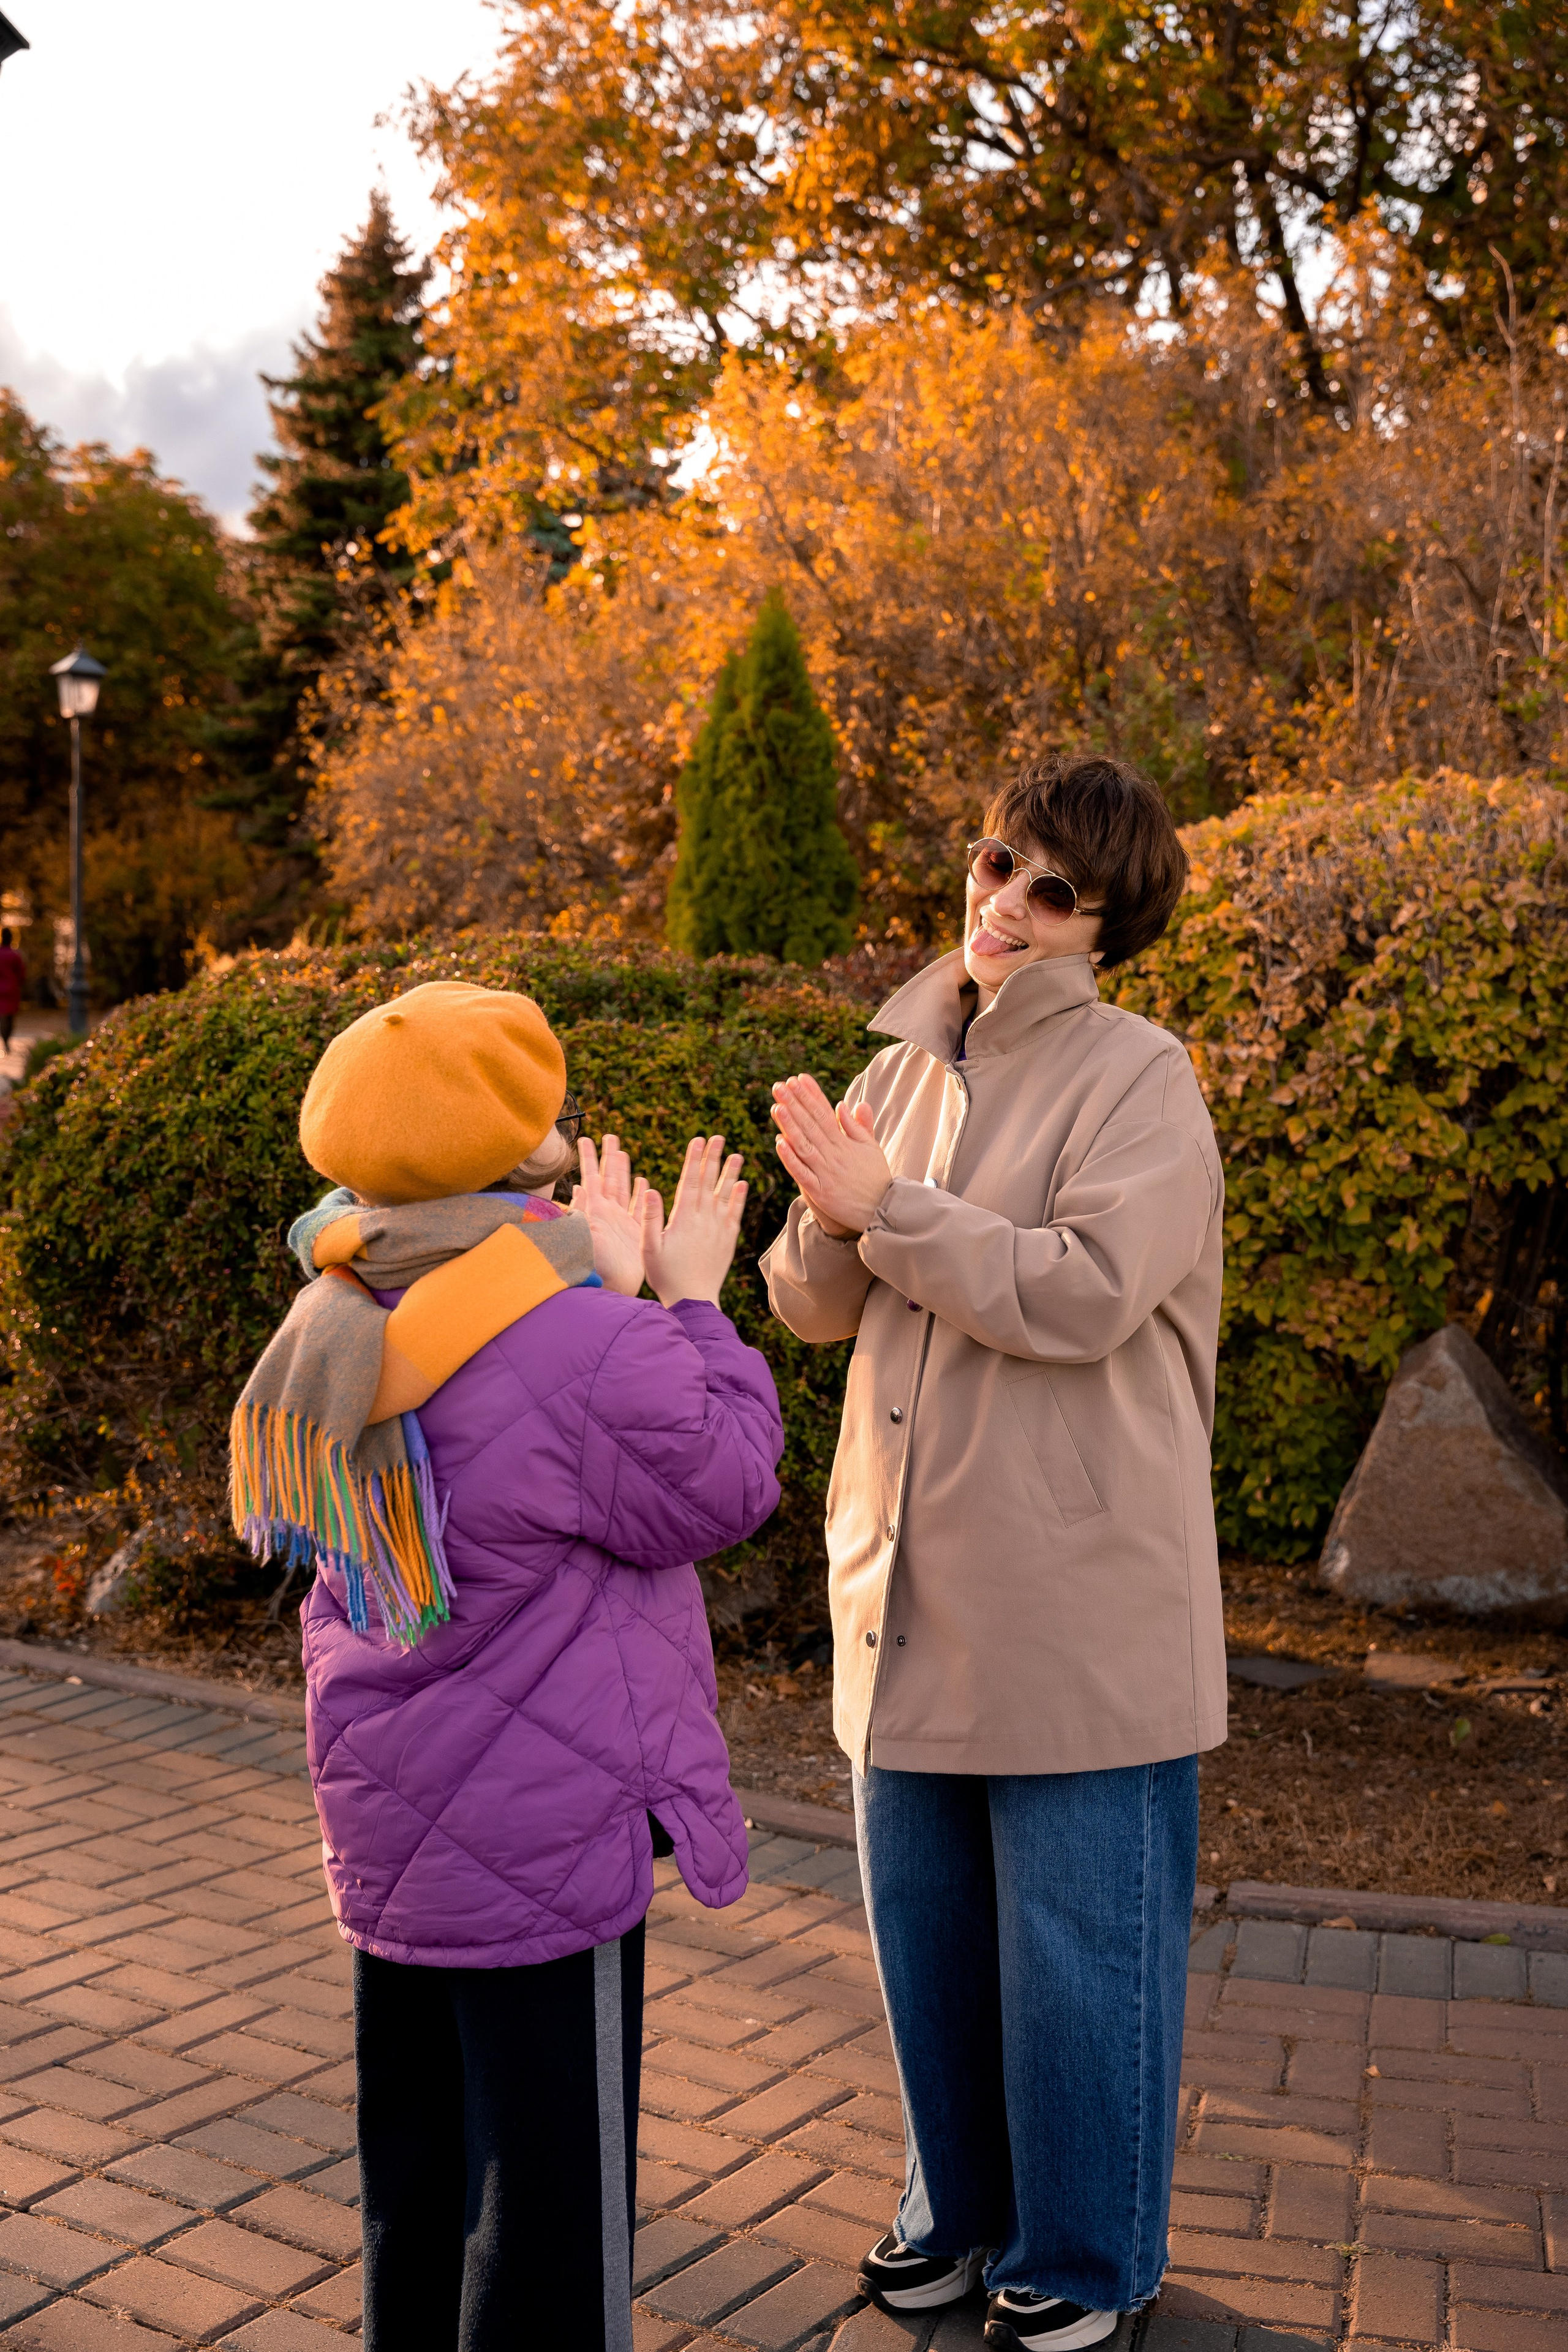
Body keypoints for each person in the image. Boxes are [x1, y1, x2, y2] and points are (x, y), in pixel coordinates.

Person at [230, 979, 783, 2352]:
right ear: (511, 1143)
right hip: (546, 1833)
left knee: (417, 2176)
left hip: (393, 1817)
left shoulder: (337, 1306)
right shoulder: (579, 1332)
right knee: (548, 2215)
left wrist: (608, 1293)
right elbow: (724, 1482)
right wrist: (687, 1302)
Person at [761, 755, 1226, 2352]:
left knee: (1076, 1956)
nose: (1006, 905)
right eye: (994, 864)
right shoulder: (898, 1064)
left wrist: (887, 1208)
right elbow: (807, 1303)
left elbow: (1083, 1288)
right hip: (901, 1578)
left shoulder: (1140, 1075)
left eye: (1052, 890)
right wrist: (836, 1213)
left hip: (1075, 1595)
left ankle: (1089, 2256)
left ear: (1105, 925)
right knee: (932, 1940)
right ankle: (956, 2212)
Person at [0, 928, 25, 1054]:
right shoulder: (15, 955)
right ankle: (6, 1040)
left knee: (3, 1016)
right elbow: (21, 974)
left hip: (1, 991)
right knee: (10, 1017)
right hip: (12, 990)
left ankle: (5, 1040)